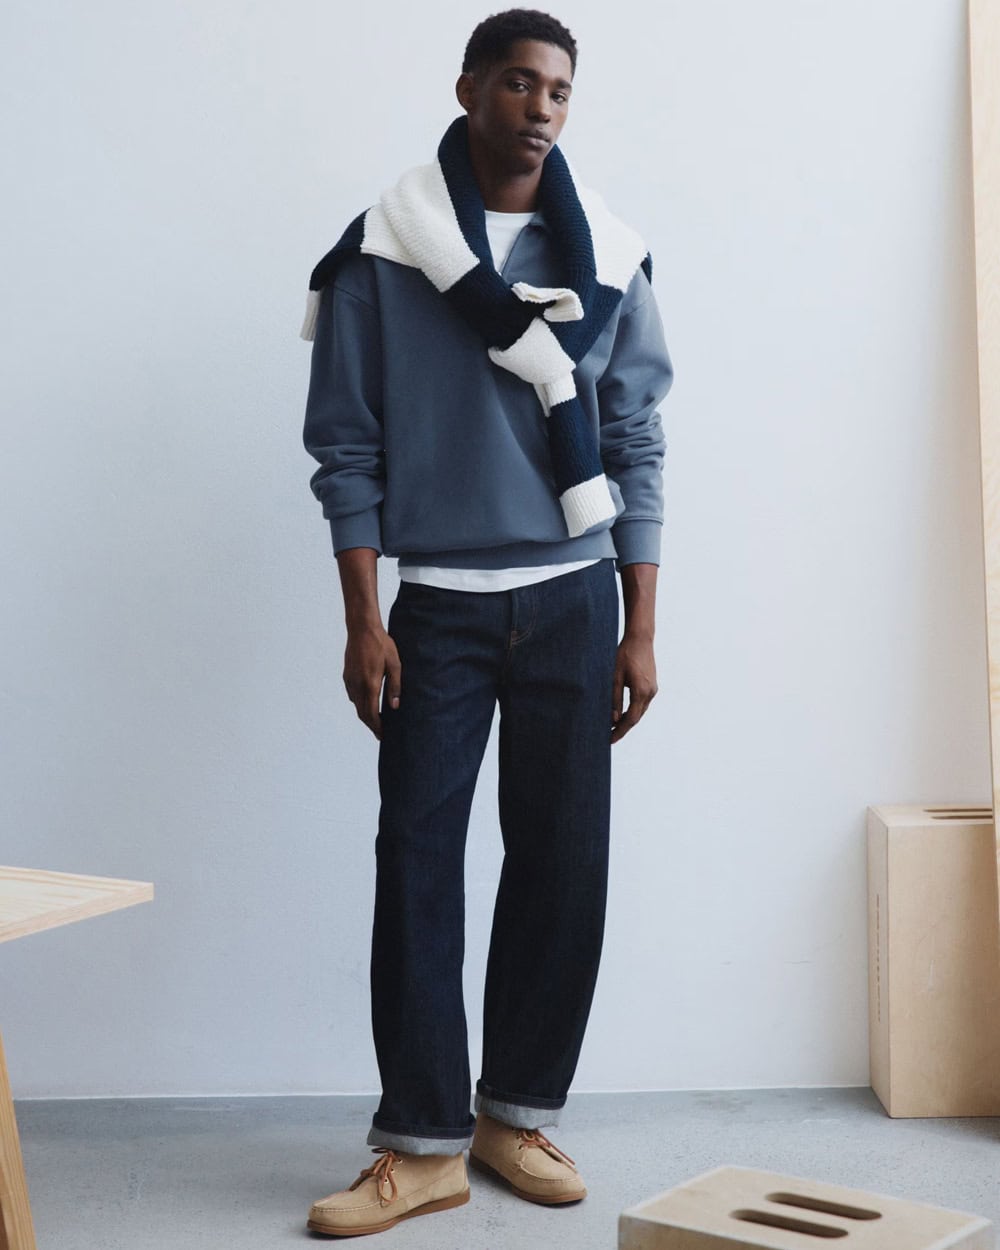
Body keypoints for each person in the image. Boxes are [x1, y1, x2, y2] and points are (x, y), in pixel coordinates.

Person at [299, 8, 673, 1237]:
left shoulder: (611, 253)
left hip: (574, 600)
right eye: (517, 82)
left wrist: (638, 624)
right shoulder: (380, 251)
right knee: (416, 861)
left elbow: (635, 440)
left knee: (562, 862)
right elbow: (346, 444)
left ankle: (515, 1112)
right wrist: (363, 617)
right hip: (438, 610)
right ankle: (420, 1143)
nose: (540, 106)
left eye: (558, 89)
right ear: (467, 89)